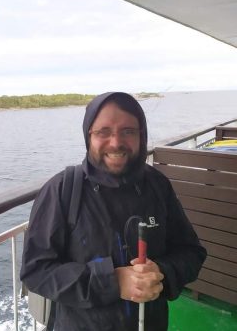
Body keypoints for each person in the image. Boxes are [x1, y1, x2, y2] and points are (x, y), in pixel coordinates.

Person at [20, 92, 206, 331]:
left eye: (128, 131)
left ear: (142, 135)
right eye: (103, 132)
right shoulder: (62, 190)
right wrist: (114, 281)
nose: (116, 142)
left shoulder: (157, 185)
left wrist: (161, 273)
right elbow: (36, 271)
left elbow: (191, 252)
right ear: (89, 137)